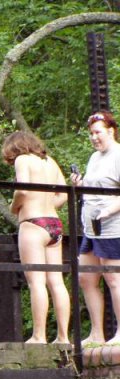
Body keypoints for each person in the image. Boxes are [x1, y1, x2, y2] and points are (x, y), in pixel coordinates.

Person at [3, 131, 70, 344]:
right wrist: (47, 204)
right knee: (57, 282)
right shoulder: (50, 161)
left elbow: (22, 190)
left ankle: (39, 336)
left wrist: (14, 207)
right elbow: (64, 195)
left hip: (33, 223)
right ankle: (63, 337)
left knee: (37, 282)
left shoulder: (22, 159)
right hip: (54, 224)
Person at [71, 110, 120, 345]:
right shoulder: (93, 158)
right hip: (91, 228)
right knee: (86, 278)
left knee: (114, 279)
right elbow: (92, 188)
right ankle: (97, 334)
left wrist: (109, 211)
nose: (94, 137)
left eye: (98, 132)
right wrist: (79, 184)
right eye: (91, 133)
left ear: (111, 131)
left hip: (112, 227)